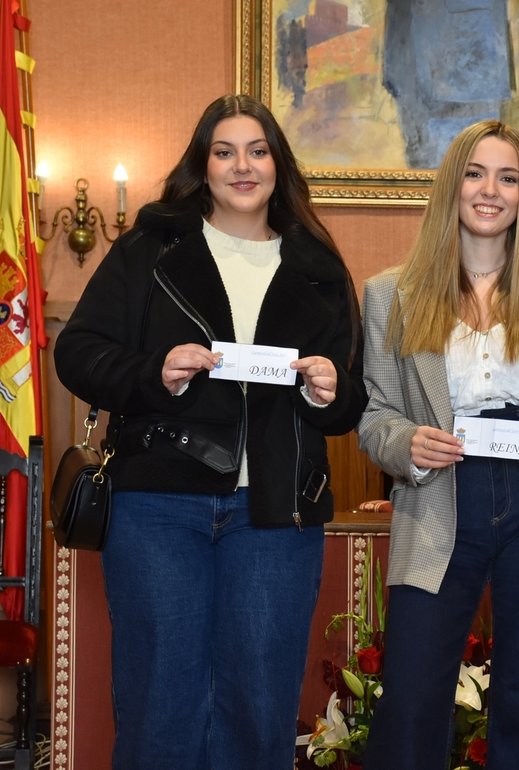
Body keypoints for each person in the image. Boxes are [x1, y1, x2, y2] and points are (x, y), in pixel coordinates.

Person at [53, 94, 366, 770]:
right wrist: (152, 373)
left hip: (277, 514)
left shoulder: (318, 265)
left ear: (278, 164)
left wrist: (332, 390)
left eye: (257, 151)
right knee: (160, 701)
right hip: (158, 506)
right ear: (203, 164)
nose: (242, 166)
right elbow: (76, 351)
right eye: (225, 151)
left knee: (260, 704)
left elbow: (351, 397)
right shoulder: (150, 247)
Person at [357, 120, 519, 770]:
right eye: (475, 173)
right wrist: (407, 443)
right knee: (413, 692)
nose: (489, 190)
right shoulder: (391, 293)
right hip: (439, 492)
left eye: (508, 176)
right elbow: (376, 416)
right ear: (451, 186)